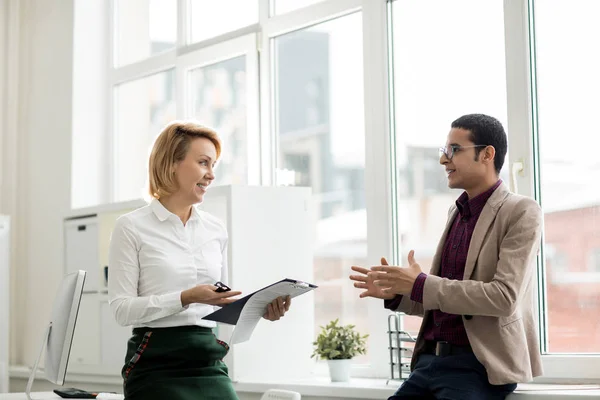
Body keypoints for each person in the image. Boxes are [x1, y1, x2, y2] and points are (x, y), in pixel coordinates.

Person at [350, 114, 543, 399]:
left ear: (487, 154)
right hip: (428, 362)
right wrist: (398, 293)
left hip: (477, 368)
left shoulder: (521, 211)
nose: (443, 160)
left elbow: (504, 298)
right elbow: (445, 300)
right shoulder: (456, 212)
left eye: (453, 150)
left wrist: (420, 284)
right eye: (444, 151)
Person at [108, 121, 291, 400]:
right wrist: (186, 297)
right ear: (172, 163)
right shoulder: (131, 226)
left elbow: (222, 302)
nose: (211, 175)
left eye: (214, 165)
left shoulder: (215, 229)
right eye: (204, 163)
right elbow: (122, 310)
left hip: (208, 359)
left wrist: (260, 309)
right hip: (155, 362)